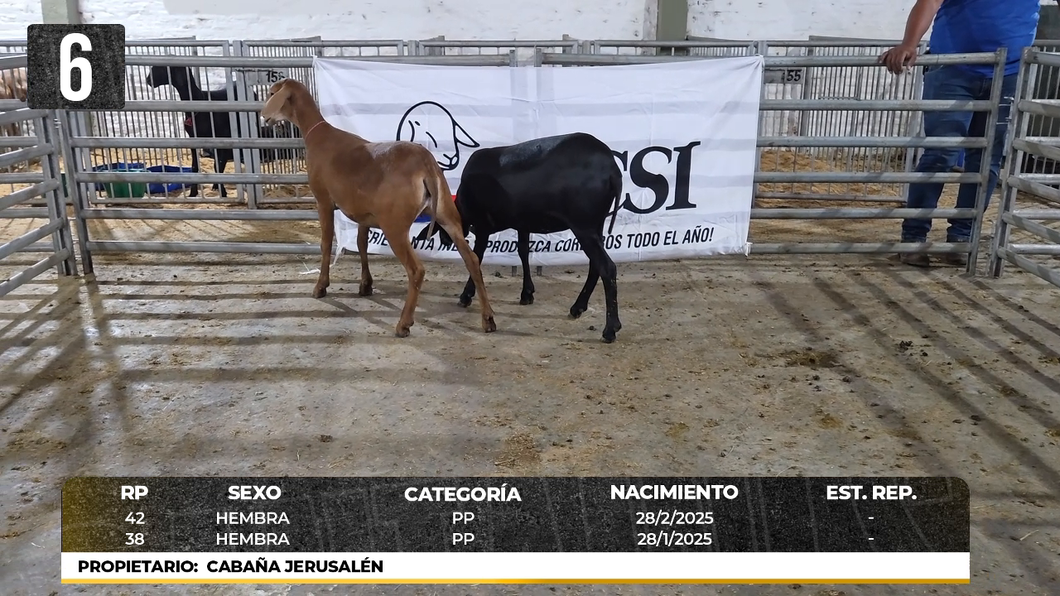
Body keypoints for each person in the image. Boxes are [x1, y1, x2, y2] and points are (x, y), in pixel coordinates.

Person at [879, 0, 1040, 267]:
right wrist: (909, 43)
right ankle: (914, 238)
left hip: (1009, 71)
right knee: (941, 152)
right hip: (953, 67)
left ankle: (962, 238)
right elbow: (931, 1)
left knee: (987, 158)